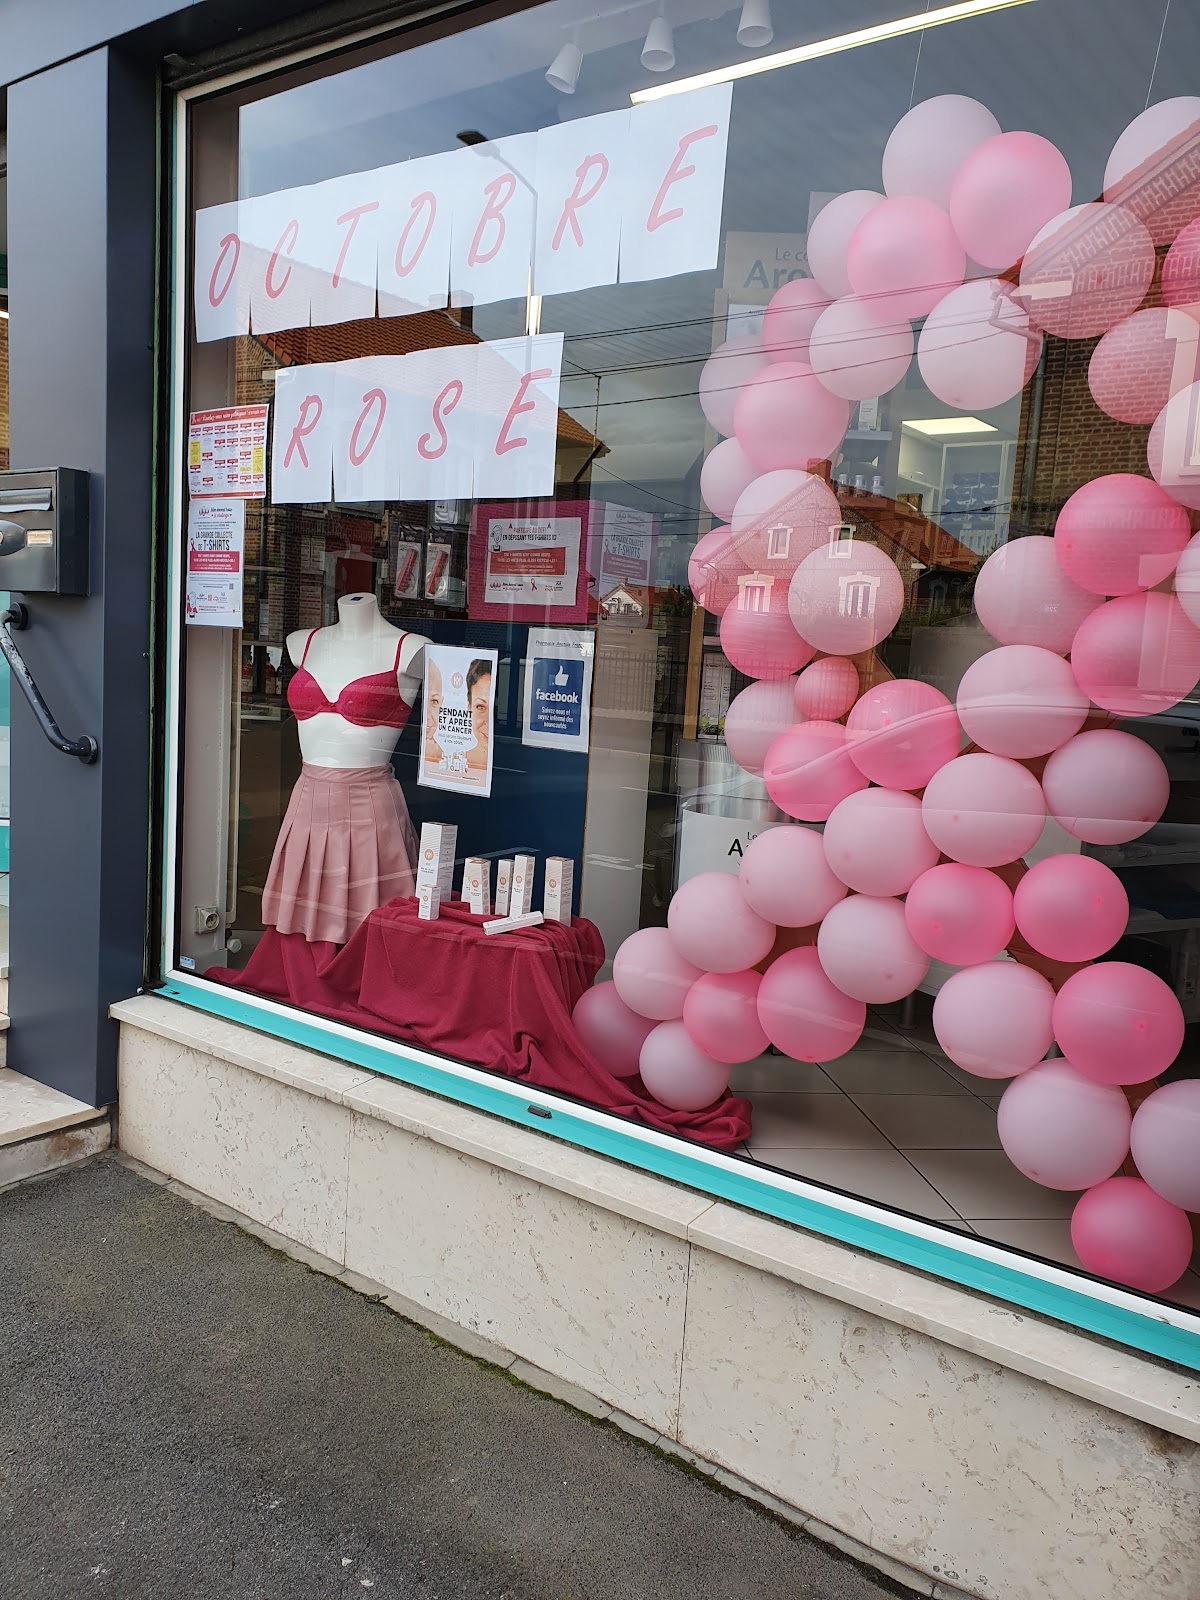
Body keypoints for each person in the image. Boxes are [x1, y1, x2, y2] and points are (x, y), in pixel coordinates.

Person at [465, 657, 492, 779]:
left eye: (494, 708)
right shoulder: (456, 765)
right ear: (469, 707)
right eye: (480, 707)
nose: (488, 722)